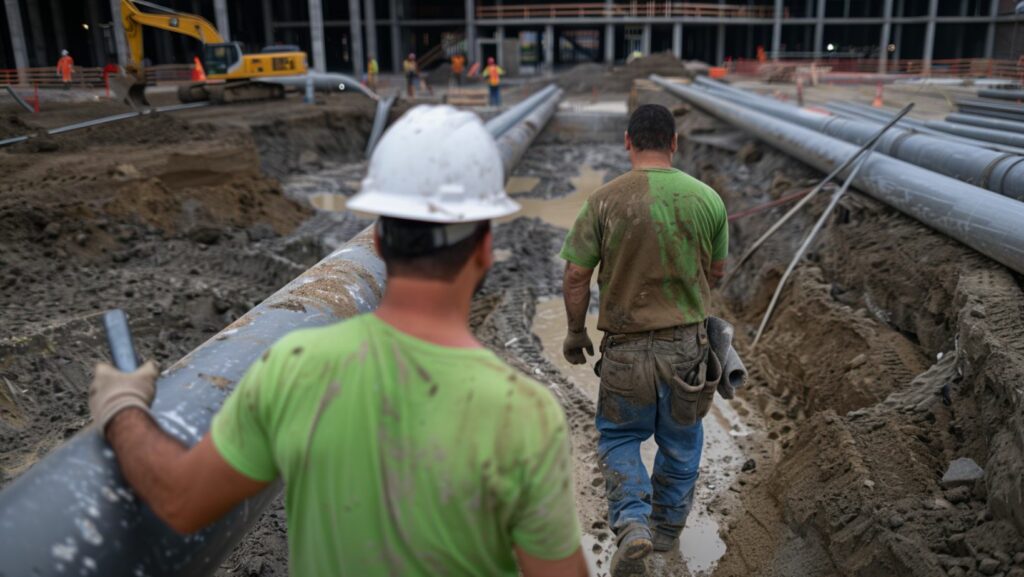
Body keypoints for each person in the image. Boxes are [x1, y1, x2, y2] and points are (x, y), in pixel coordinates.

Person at [88, 105, 589, 577]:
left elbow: (180, 500)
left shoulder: (295, 366)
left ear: (375, 241)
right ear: (484, 248)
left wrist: (124, 410)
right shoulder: (524, 413)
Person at [559, 104, 728, 577]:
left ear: (628, 142)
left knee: (619, 437)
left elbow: (575, 275)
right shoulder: (709, 200)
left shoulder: (604, 201)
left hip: (625, 351)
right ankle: (666, 534)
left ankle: (632, 525)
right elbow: (716, 272)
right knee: (681, 441)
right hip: (686, 350)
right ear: (674, 143)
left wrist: (575, 332)